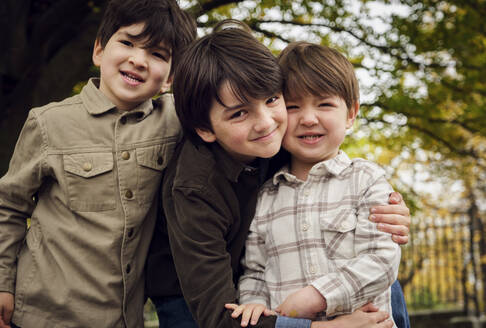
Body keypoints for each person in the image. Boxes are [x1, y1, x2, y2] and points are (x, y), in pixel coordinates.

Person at [146, 20, 410, 328]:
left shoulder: (292, 141)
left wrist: (391, 212)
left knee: (387, 287)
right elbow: (220, 316)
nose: (266, 123)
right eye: (240, 113)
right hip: (197, 297)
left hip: (287, 284)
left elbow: (376, 248)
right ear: (205, 128)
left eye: (272, 99)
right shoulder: (195, 187)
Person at [0, 0, 196, 327]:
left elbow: (224, 96)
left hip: (121, 317)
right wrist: (2, 283)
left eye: (157, 54)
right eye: (128, 43)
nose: (138, 59)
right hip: (41, 313)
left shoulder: (175, 121)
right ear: (99, 51)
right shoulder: (49, 123)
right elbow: (9, 206)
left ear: (170, 79)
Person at [230, 41, 406, 328]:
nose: (308, 119)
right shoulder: (265, 196)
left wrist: (318, 296)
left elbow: (381, 258)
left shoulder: (365, 179)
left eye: (324, 104)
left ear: (351, 114)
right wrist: (254, 303)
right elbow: (255, 271)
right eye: (293, 106)